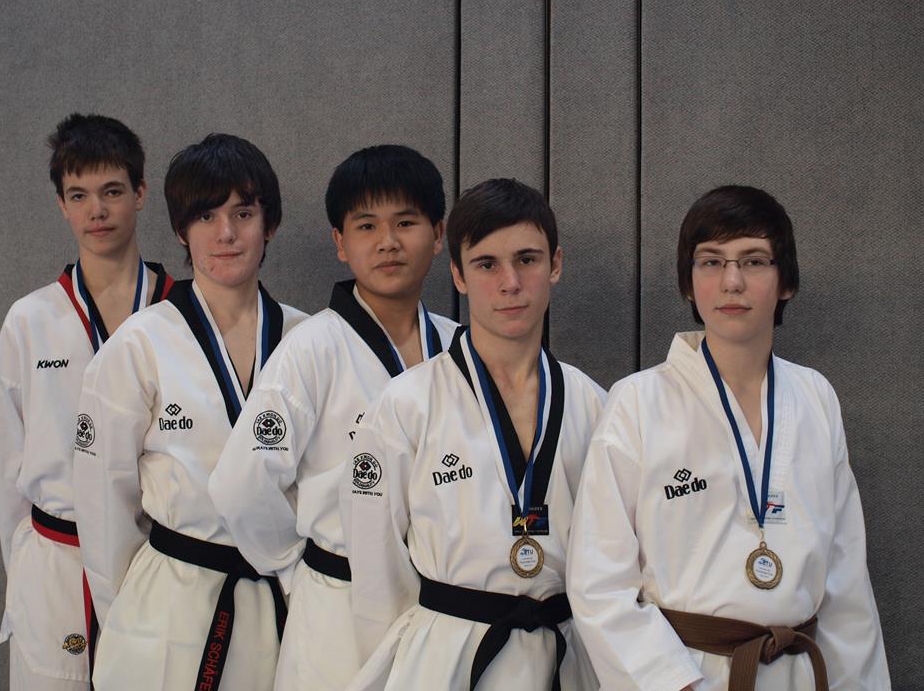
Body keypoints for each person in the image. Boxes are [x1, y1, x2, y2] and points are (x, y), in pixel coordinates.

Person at [567, 185, 891, 691]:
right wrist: (677, 685)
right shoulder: (638, 402)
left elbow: (846, 580)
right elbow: (598, 580)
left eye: (754, 261)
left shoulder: (815, 396)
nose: (732, 281)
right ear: (688, 283)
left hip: (801, 672)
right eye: (711, 262)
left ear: (786, 282)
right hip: (688, 672)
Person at [209, 144, 459, 691]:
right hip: (337, 603)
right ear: (340, 243)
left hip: (441, 608)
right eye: (367, 226)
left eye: (406, 223)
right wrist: (295, 567)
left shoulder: (459, 347)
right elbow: (240, 484)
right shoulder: (312, 347)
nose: (388, 241)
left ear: (438, 234)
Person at [347, 178, 607, 691]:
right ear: (458, 275)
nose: (510, 283)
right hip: (446, 657)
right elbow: (377, 570)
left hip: (566, 655)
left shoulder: (594, 404)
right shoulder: (407, 405)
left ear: (556, 265)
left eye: (527, 260)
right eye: (487, 264)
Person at [72, 134, 307, 691]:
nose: (226, 233)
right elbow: (103, 505)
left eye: (243, 213)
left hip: (284, 601)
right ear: (181, 230)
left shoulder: (309, 340)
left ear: (269, 224)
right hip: (169, 604)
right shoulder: (139, 345)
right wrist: (129, 615)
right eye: (205, 216)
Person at [0, 113, 173, 690]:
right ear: (61, 205)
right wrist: (24, 572)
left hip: (156, 559)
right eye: (79, 195)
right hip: (57, 561)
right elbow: (8, 470)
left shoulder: (182, 314)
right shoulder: (30, 320)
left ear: (140, 194)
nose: (97, 210)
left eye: (112, 191)